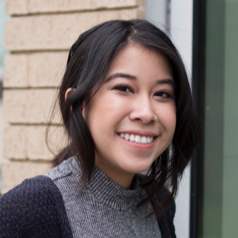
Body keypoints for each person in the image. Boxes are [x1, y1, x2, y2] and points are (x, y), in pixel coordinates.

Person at [0, 19, 200, 238]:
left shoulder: (159, 204)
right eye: (124, 88)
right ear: (77, 104)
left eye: (162, 93)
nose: (146, 113)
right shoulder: (30, 209)